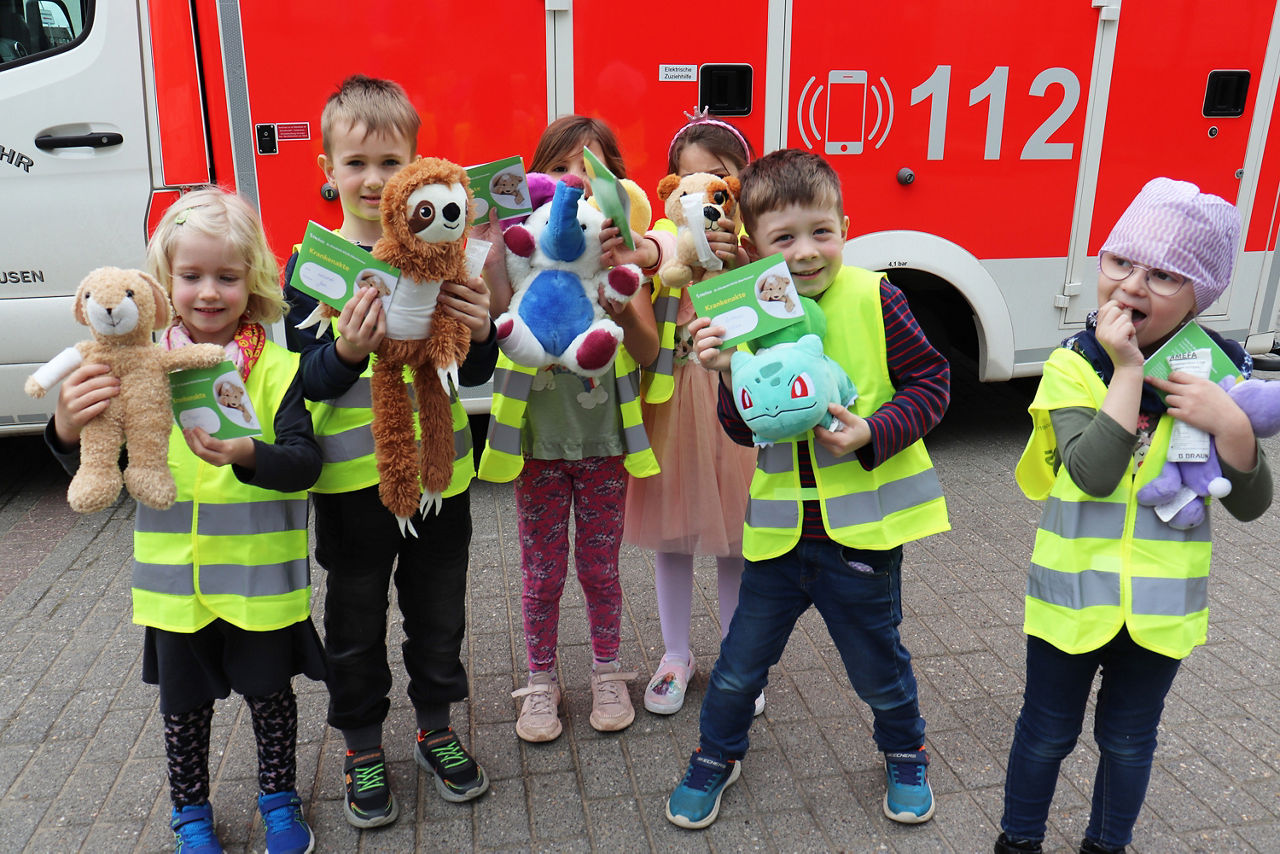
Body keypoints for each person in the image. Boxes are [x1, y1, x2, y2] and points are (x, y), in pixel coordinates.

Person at [665, 149, 951, 830]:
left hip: (863, 539)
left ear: (846, 227)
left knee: (879, 666)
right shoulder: (744, 311)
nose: (805, 253)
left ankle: (905, 750)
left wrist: (874, 432)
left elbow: (932, 384)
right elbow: (740, 431)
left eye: (821, 232)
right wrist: (727, 372)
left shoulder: (878, 296)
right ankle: (716, 754)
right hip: (777, 539)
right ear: (755, 246)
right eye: (784, 238)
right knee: (739, 666)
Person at [995, 178, 1272, 854]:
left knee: (1128, 739)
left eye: (1164, 273)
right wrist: (1126, 368)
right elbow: (1091, 474)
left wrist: (1231, 423)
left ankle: (1106, 844)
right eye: (1120, 262)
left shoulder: (1219, 367)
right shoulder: (1075, 361)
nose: (1132, 285)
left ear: (1202, 292)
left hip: (1161, 608)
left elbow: (1253, 503)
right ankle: (1019, 841)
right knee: (1047, 732)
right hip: (1071, 598)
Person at [46, 187, 324, 853]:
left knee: (272, 701)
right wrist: (64, 423)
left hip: (261, 586)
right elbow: (98, 458)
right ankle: (190, 812)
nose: (208, 292)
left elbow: (304, 463)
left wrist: (250, 453)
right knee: (182, 711)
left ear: (252, 282)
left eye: (227, 277)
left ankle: (279, 798)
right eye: (191, 276)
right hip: (176, 589)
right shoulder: (138, 369)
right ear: (162, 284)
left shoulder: (280, 369)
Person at [282, 75, 497, 830]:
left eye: (389, 162)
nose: (372, 180)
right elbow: (298, 387)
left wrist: (483, 325)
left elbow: (473, 373)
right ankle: (362, 747)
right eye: (356, 163)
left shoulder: (445, 252)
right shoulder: (311, 267)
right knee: (355, 621)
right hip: (349, 488)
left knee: (439, 615)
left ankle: (436, 728)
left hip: (443, 480)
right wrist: (343, 352)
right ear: (327, 168)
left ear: (415, 165)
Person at [478, 115, 661, 743]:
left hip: (606, 443)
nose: (575, 181)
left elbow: (647, 350)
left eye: (594, 171)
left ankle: (607, 672)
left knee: (601, 568)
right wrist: (496, 248)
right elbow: (498, 314)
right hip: (535, 444)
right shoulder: (521, 253)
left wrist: (617, 297)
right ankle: (541, 681)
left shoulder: (620, 259)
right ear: (537, 180)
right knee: (542, 572)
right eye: (561, 168)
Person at [603, 113, 762, 716]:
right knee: (672, 535)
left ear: (740, 186)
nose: (702, 192)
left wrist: (738, 260)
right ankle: (675, 654)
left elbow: (773, 316)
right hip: (673, 399)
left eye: (717, 178)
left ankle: (735, 656)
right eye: (687, 179)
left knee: (734, 540)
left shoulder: (750, 248)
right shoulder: (664, 247)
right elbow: (650, 265)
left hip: (735, 402)